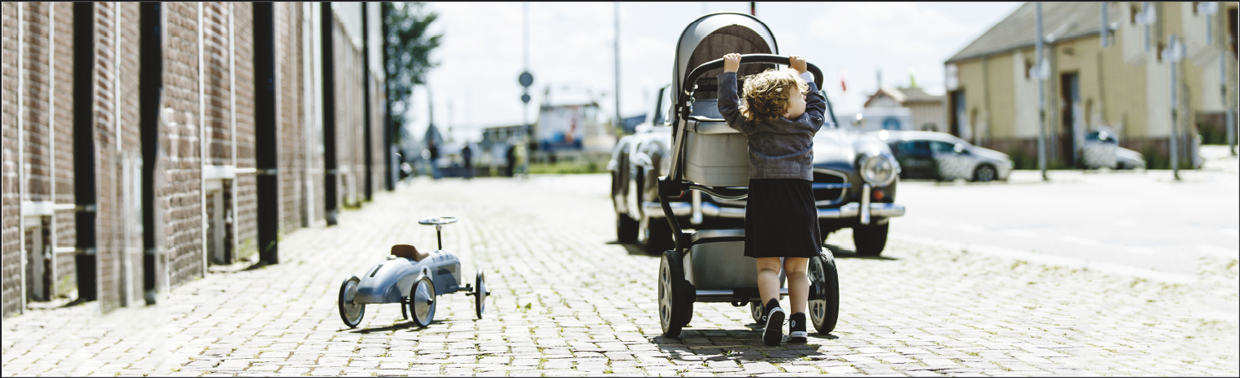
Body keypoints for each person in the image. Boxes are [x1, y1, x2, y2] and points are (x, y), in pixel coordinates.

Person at [717, 53, 825, 346]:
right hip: (799, 198)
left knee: (768, 268)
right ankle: (799, 323)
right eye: (799, 96)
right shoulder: (806, 124)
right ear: (789, 107)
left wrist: (730, 72)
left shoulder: (755, 124)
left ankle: (773, 307)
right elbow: (818, 105)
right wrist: (804, 75)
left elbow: (728, 108)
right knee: (797, 269)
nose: (805, 99)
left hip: (765, 198)